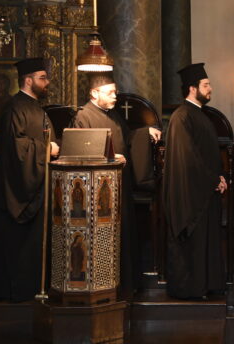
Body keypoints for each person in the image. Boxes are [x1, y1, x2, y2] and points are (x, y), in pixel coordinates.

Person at [73, 72, 161, 298]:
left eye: (115, 92)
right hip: (98, 196)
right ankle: (104, 286)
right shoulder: (83, 116)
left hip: (120, 186)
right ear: (94, 93)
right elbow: (80, 154)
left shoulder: (113, 115)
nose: (115, 96)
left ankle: (125, 285)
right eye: (110, 92)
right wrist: (110, 159)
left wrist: (145, 132)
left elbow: (127, 138)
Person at [0, 57, 59, 302]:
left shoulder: (37, 108)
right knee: (18, 247)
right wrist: (46, 149)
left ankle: (35, 289)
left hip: (39, 188)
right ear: (28, 80)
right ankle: (18, 292)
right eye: (42, 78)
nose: (47, 82)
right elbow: (16, 149)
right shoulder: (14, 108)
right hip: (19, 191)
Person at [163, 62, 226, 299]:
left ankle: (207, 285)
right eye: (206, 85)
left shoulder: (198, 114)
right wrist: (212, 179)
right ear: (192, 88)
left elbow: (206, 153)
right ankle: (191, 289)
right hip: (191, 194)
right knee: (194, 243)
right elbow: (188, 157)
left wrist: (218, 176)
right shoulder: (182, 116)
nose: (210, 88)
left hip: (205, 189)